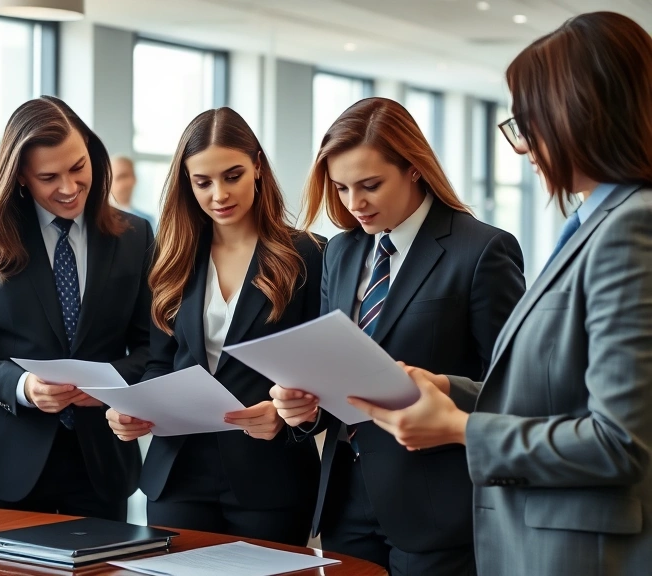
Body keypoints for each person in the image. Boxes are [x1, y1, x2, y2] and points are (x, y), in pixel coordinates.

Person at [349, 12, 652, 576]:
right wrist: (449, 388)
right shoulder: (597, 222)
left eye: (526, 123)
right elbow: (547, 391)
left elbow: (619, 442)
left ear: (582, 113)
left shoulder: (633, 227)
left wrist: (459, 428)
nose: (521, 146)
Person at [271, 97, 525, 574]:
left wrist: (438, 387)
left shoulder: (482, 250)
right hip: (345, 500)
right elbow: (333, 370)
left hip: (437, 507)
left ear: (413, 169)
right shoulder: (341, 252)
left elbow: (515, 387)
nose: (354, 204)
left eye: (370, 185)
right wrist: (301, 407)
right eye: (341, 188)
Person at [106, 107, 323, 546]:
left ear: (258, 167)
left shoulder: (308, 254)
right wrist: (133, 408)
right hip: (179, 475)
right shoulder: (172, 256)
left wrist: (287, 418)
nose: (219, 194)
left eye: (232, 175)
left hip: (269, 475)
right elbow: (159, 362)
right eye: (203, 182)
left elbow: (325, 371)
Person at [0, 96, 152, 521]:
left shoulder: (134, 235)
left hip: (100, 462)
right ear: (20, 176)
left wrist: (109, 386)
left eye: (78, 168)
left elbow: (152, 346)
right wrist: (23, 387)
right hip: (3, 462)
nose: (69, 188)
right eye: (49, 177)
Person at [110, 155, 157, 229]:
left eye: (129, 176)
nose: (126, 182)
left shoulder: (147, 220)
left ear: (134, 179)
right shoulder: (100, 218)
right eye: (120, 177)